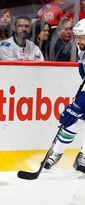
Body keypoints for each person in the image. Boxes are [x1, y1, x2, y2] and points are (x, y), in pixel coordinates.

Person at [44, 18, 85, 175]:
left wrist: (78, 105)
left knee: (74, 114)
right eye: (78, 37)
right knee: (74, 120)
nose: (78, 41)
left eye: (82, 37)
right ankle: (56, 152)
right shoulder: (81, 48)